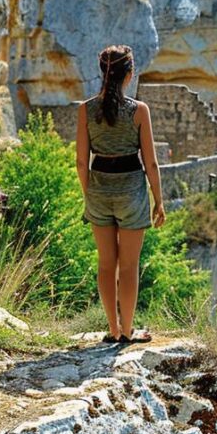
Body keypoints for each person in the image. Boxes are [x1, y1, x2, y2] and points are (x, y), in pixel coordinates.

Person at [75, 44, 166, 344]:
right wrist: (159, 201)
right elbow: (150, 162)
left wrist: (91, 193)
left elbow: (80, 160)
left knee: (105, 263)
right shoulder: (139, 111)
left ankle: (112, 330)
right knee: (129, 266)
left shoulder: (85, 110)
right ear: (129, 74)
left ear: (102, 73)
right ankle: (128, 330)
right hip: (131, 190)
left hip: (99, 186)